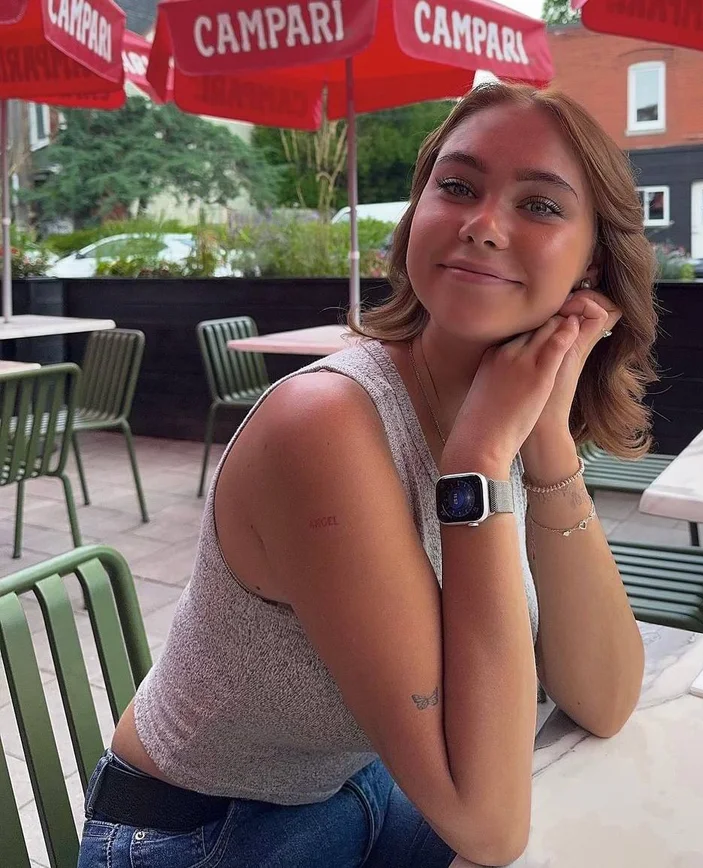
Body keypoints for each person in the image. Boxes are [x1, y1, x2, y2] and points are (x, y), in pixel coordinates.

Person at [77, 81, 656, 868]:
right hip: (207, 831)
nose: (483, 225)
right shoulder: (324, 426)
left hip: (360, 781)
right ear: (417, 215)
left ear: (593, 266)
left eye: (540, 205)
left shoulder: (511, 407)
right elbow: (489, 825)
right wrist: (479, 462)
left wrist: (548, 439)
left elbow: (606, 698)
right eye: (458, 187)